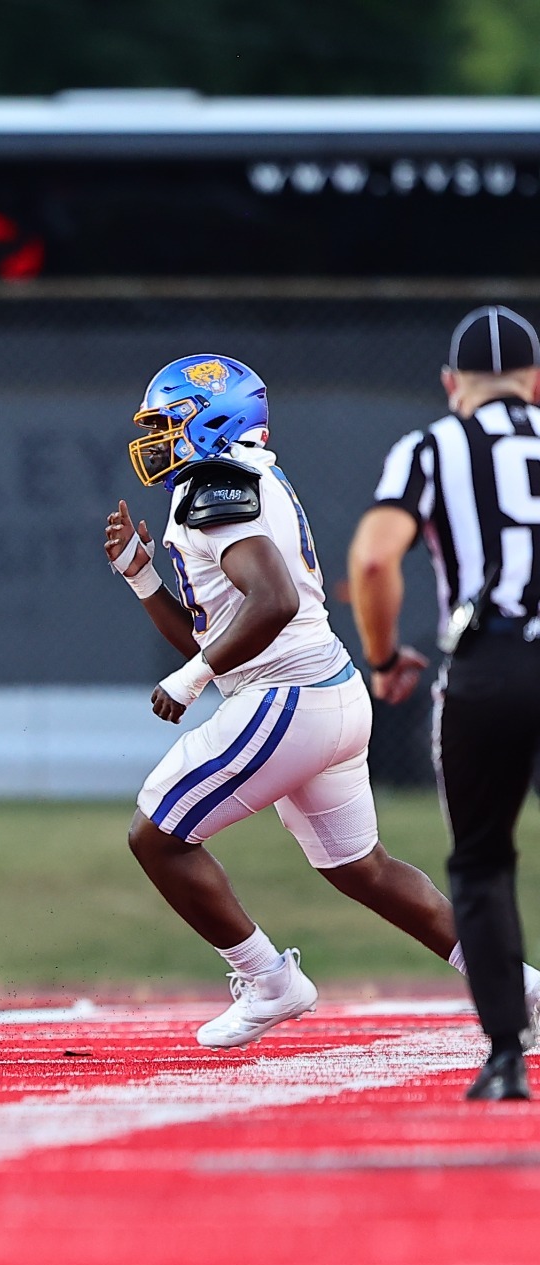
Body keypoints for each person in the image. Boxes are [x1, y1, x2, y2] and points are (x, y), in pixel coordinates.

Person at [104, 354, 522, 1057]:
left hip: (285, 697)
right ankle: (518, 984)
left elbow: (273, 601)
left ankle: (267, 979)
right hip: (324, 693)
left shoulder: (213, 484)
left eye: (171, 421)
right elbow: (218, 626)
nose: (158, 438)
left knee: (158, 833)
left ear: (213, 419)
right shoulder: (239, 478)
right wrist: (144, 578)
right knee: (363, 868)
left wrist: (193, 678)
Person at [347, 305, 540, 1101]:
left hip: (489, 662)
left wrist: (386, 657)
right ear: (537, 383)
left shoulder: (430, 446)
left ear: (451, 384)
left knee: (482, 860)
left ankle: (505, 1057)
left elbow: (371, 561)